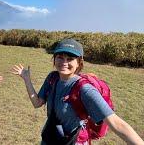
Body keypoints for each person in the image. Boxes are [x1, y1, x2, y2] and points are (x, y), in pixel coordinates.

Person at [12, 39, 144, 145]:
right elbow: (37, 103)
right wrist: (27, 79)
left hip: (74, 141)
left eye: (70, 58)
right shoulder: (53, 78)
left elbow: (116, 123)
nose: (64, 62)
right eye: (60, 57)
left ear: (79, 62)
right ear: (54, 59)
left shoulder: (84, 89)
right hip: (51, 137)